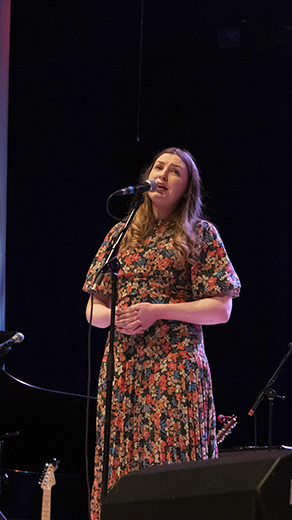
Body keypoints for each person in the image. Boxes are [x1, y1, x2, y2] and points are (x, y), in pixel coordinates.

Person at [83, 147, 240, 520]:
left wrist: (157, 312)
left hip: (175, 368)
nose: (163, 174)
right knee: (122, 465)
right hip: (124, 369)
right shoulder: (120, 235)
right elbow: (92, 308)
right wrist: (113, 315)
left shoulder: (200, 234)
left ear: (186, 189)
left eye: (175, 171)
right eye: (159, 167)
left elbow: (221, 308)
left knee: (174, 467)